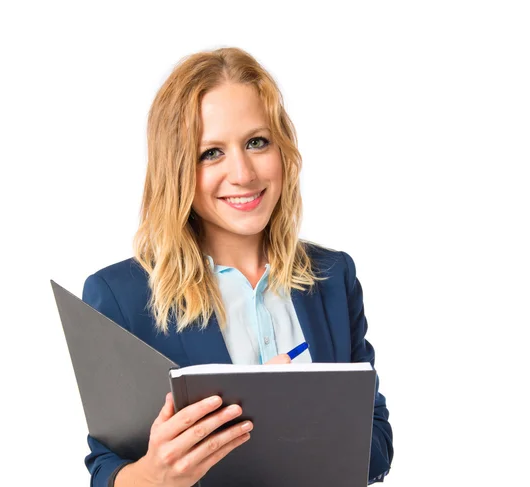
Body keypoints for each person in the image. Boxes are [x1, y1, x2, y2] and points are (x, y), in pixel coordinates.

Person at [81, 47, 394, 487]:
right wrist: (154, 477)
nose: (244, 173)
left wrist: (305, 421)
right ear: (177, 169)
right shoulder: (120, 297)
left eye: (256, 142)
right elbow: (105, 468)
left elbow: (378, 443)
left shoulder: (332, 277)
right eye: (211, 153)